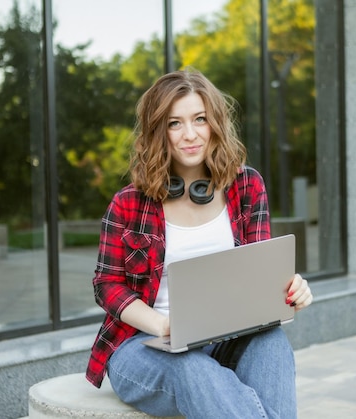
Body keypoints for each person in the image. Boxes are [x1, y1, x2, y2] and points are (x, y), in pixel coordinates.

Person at [85, 68, 313, 418]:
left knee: (272, 343)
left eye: (200, 119)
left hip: (227, 337)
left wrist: (290, 293)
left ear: (215, 124)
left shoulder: (246, 186)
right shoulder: (129, 202)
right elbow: (107, 285)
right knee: (190, 366)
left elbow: (261, 272)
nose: (189, 134)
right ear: (159, 132)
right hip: (141, 345)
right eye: (175, 123)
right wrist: (164, 326)